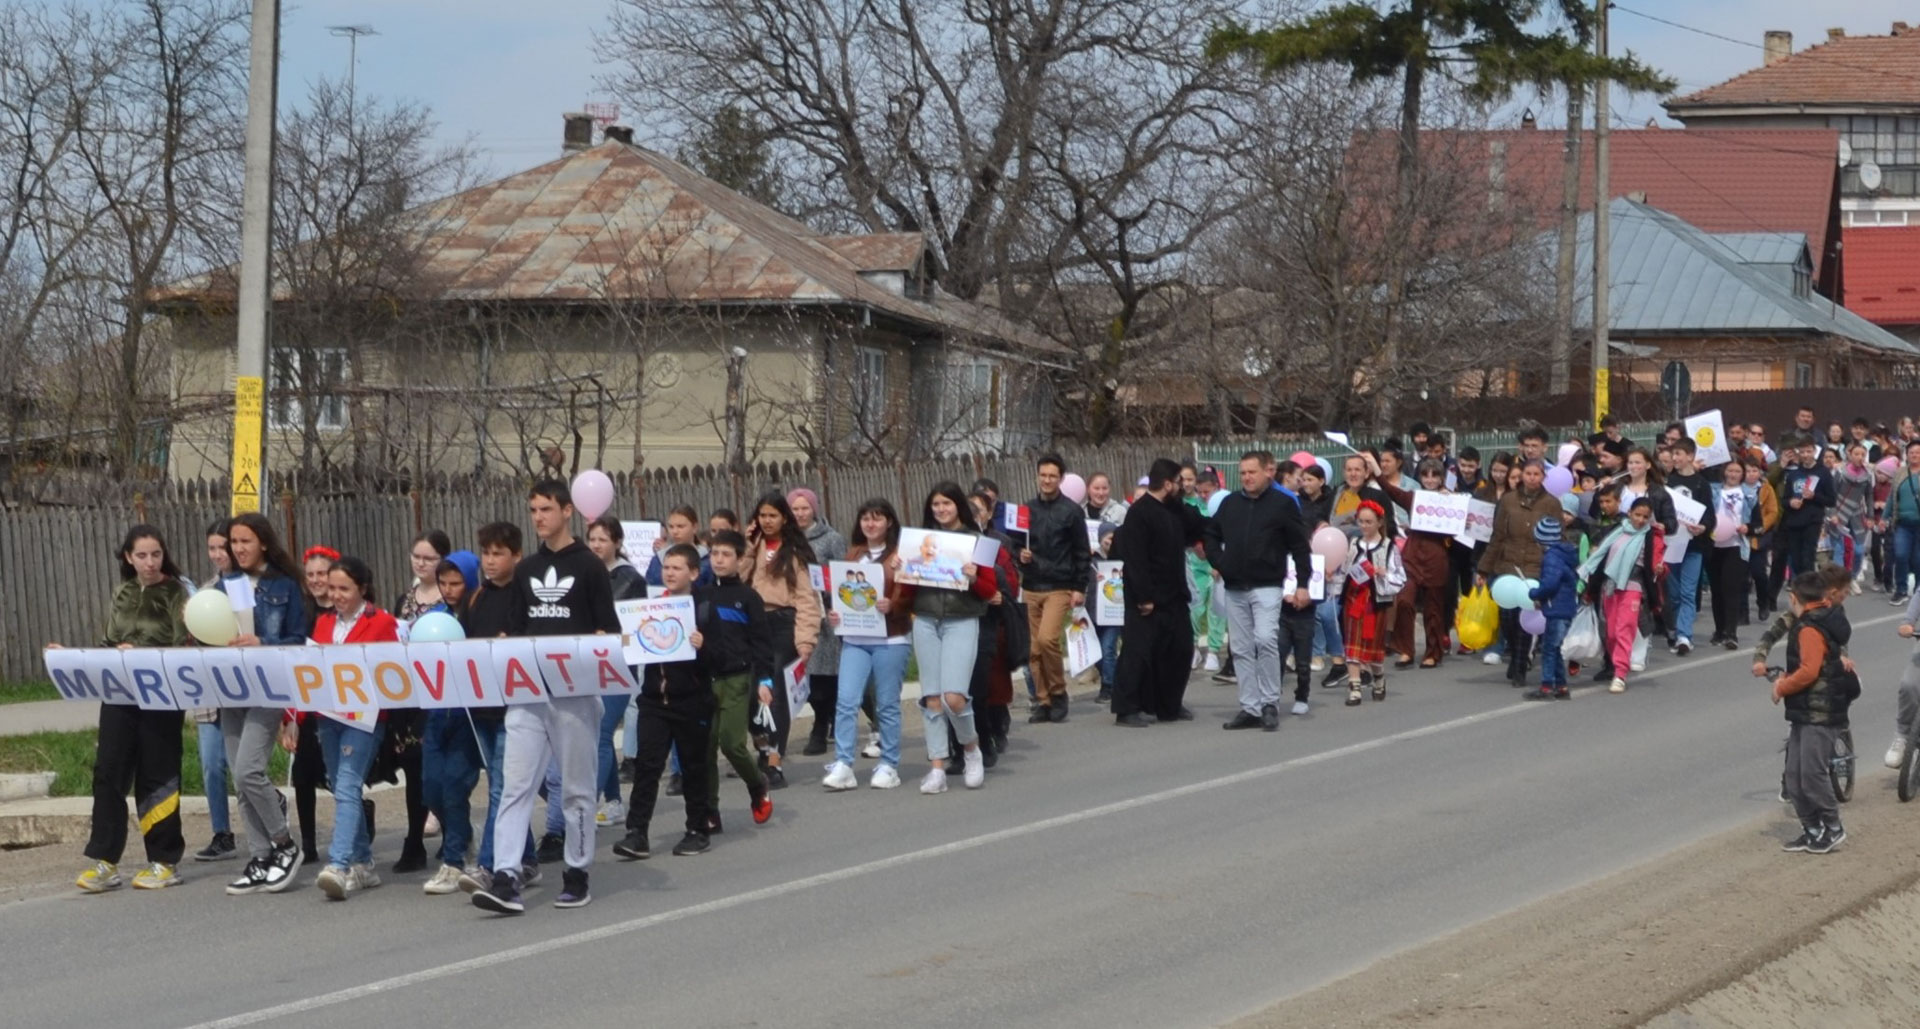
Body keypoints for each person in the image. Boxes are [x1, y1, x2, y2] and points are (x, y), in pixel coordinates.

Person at [472, 480, 618, 916]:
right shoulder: (528, 569)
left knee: (576, 787)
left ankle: (577, 872)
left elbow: (607, 630)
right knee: (515, 785)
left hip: (574, 692)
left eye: (546, 509)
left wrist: (595, 641)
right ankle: (505, 876)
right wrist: (505, 643)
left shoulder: (590, 567)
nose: (538, 517)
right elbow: (518, 629)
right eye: (533, 509)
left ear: (567, 511)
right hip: (529, 690)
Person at [65, 525, 191, 893]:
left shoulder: (175, 592)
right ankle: (106, 861)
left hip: (161, 693)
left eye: (156, 554)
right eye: (142, 556)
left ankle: (164, 860)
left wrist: (144, 655)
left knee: (157, 773)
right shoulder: (121, 592)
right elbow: (108, 641)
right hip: (119, 692)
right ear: (128, 558)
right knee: (108, 771)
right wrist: (73, 657)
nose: (150, 563)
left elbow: (179, 642)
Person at [611, 544, 724, 859]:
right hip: (653, 700)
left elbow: (721, 657)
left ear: (693, 572)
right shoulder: (651, 607)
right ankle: (637, 833)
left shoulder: (703, 608)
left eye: (677, 568)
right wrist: (627, 641)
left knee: (693, 766)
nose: (670, 573)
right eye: (666, 567)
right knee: (647, 766)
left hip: (692, 701)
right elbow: (636, 646)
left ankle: (697, 828)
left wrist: (702, 646)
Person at [219, 511, 311, 896]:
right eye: (234, 542)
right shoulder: (225, 585)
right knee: (238, 781)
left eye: (246, 541)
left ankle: (285, 844)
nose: (239, 549)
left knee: (248, 772)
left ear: (264, 543)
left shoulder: (286, 586)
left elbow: (299, 640)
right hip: (231, 687)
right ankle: (259, 857)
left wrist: (264, 644)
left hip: (270, 686)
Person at [305, 556, 401, 900]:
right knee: (339, 785)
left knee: (347, 783)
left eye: (344, 588)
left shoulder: (382, 623)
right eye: (332, 588)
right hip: (329, 716)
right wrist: (297, 716)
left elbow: (391, 673)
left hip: (364, 718)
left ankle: (339, 863)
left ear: (361, 588)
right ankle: (363, 862)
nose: (337, 595)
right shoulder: (323, 623)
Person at [1206, 451, 1314, 733]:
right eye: (1242, 473)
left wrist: (1303, 582)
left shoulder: (1282, 505)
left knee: (1266, 640)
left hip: (1267, 585)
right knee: (1241, 648)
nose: (1246, 478)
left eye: (1251, 472)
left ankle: (1269, 703)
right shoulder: (1230, 504)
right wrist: (1220, 562)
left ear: (1268, 471)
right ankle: (1250, 707)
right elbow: (1211, 534)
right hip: (1235, 586)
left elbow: (1300, 546)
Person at [446, 524, 526, 899]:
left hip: (513, 704)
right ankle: (526, 858)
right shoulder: (477, 597)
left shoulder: (524, 595)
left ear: (516, 556)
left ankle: (490, 865)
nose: (491, 561)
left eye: (498, 553)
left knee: (503, 788)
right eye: (486, 554)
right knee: (502, 786)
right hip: (482, 704)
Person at [911, 483, 997, 792]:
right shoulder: (920, 540)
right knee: (932, 698)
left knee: (954, 698)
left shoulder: (980, 542)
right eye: (935, 504)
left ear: (958, 505)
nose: (941, 509)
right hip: (925, 620)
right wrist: (900, 568)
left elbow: (989, 591)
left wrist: (974, 576)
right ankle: (937, 768)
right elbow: (908, 587)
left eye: (946, 503)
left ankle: (971, 749)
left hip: (962, 620)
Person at [823, 499, 914, 790]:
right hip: (855, 639)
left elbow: (911, 595)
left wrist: (895, 604)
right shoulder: (853, 555)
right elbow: (843, 593)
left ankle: (889, 764)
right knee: (847, 700)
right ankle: (844, 764)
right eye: (865, 518)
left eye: (876, 518)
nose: (870, 524)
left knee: (886, 704)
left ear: (889, 522)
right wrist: (836, 614)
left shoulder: (901, 555)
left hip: (891, 638)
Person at [1112, 458, 1207, 727]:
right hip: (1147, 598)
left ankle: (1169, 705)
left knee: (1179, 650)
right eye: (1179, 481)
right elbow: (1136, 558)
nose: (1183, 486)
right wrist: (1144, 597)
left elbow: (1196, 524)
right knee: (1137, 653)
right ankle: (1127, 707)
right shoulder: (1140, 513)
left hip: (1174, 595)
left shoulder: (1175, 509)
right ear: (1167, 484)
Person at [1768, 572, 1857, 854]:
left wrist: (1782, 686)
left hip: (1820, 712)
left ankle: (1832, 827)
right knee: (1794, 774)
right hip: (1806, 711)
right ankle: (1812, 828)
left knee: (1812, 774)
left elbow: (1809, 671)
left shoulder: (1809, 628)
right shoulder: (1822, 620)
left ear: (1795, 599)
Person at [741, 491, 821, 784]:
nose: (767, 521)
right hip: (753, 624)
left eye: (773, 515)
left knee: (773, 693)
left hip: (784, 625)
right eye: (762, 515)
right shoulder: (754, 546)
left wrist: (805, 640)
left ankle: (775, 761)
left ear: (784, 518)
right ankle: (762, 746)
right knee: (751, 697)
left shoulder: (796, 552)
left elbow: (807, 598)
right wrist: (748, 546)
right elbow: (736, 579)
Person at [697, 530, 775, 829]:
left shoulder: (748, 598)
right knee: (705, 747)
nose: (719, 560)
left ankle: (757, 785)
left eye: (726, 554)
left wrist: (765, 681)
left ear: (740, 560)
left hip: (738, 679)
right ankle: (709, 810)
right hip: (706, 679)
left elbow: (761, 644)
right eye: (714, 554)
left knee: (732, 744)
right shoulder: (700, 594)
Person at [388, 529, 451, 875]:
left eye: (429, 558)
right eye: (417, 557)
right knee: (413, 766)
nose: (422, 563)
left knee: (436, 771)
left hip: (442, 692)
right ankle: (413, 842)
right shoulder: (405, 598)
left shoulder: (450, 596)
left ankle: (452, 826)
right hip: (409, 693)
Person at [1020, 454, 1090, 724]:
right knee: (1032, 648)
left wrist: (1079, 587)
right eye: (1043, 475)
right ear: (1037, 477)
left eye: (1052, 476)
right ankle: (1043, 700)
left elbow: (1082, 551)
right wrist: (1020, 555)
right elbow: (1015, 544)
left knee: (1048, 639)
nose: (1047, 480)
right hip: (1031, 584)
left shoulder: (1071, 512)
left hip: (1059, 585)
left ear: (1061, 479)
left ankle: (1059, 692)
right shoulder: (1027, 510)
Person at [585, 516, 644, 830]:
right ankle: (614, 802)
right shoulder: (583, 574)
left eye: (602, 540)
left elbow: (634, 627)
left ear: (617, 543)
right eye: (592, 539)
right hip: (587, 664)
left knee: (603, 733)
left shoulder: (630, 579)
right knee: (597, 733)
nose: (596, 545)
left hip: (619, 665)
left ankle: (588, 801)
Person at [1375, 456, 1457, 668]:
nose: (1430, 480)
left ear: (1441, 478)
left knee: (1433, 607)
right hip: (1412, 556)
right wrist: (1375, 468)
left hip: (1436, 557)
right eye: (1425, 475)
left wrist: (1451, 502)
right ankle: (1405, 649)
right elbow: (1390, 490)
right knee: (1404, 601)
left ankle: (1433, 652)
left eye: (1435, 475)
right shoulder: (1414, 498)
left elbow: (1462, 528)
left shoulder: (1451, 499)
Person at [1477, 460, 1553, 686]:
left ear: (1542, 477)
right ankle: (1514, 656)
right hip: (1508, 566)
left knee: (1525, 619)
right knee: (1507, 617)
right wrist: (1483, 568)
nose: (1531, 478)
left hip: (1534, 567)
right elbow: (1497, 536)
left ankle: (1520, 664)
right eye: (1528, 474)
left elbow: (1556, 538)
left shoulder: (1550, 503)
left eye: (1536, 474)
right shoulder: (1508, 501)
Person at [189, 520, 239, 863]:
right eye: (213, 548)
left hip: (240, 681)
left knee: (241, 764)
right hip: (209, 682)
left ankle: (270, 805)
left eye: (224, 547)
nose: (219, 554)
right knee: (210, 762)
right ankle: (222, 832)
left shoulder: (249, 587)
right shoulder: (205, 590)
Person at [1580, 497, 1665, 693]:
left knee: (1623, 630)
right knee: (1609, 633)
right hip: (1609, 585)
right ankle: (1613, 663)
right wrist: (1591, 589)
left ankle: (1620, 673)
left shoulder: (1651, 536)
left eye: (1646, 516)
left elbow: (1657, 562)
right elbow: (1601, 560)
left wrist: (1661, 569)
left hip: (1634, 586)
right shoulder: (1617, 532)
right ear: (1629, 513)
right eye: (1637, 515)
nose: (1641, 520)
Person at [287, 544, 339, 864]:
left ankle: (361, 814)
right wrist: (290, 717)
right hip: (306, 703)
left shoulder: (344, 610)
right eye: (311, 575)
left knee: (336, 772)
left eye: (323, 573)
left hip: (339, 701)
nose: (317, 580)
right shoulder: (301, 614)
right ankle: (308, 844)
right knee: (304, 773)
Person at [788, 487, 846, 758]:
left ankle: (821, 726)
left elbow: (842, 573)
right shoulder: (785, 540)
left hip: (825, 614)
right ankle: (824, 717)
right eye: (795, 509)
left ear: (814, 509)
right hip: (793, 613)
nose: (800, 514)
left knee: (824, 676)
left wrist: (827, 589)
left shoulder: (831, 538)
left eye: (804, 508)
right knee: (804, 675)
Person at [970, 489, 1026, 761]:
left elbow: (1011, 584)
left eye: (978, 511)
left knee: (993, 680)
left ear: (988, 515)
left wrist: (1000, 594)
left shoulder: (996, 544)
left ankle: (997, 724)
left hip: (993, 620)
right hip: (964, 619)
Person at [1339, 501, 1401, 705]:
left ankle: (1378, 677)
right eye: (1361, 521)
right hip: (1353, 600)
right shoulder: (1354, 543)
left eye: (1369, 522)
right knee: (1352, 646)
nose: (1364, 526)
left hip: (1375, 603)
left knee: (1373, 648)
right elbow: (1345, 570)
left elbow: (1400, 577)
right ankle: (1354, 688)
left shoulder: (1388, 546)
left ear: (1379, 522)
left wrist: (1384, 575)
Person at [1662, 438, 1717, 657]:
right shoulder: (1667, 481)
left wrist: (1703, 527)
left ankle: (1685, 635)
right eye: (1673, 454)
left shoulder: (1701, 484)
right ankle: (1675, 629)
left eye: (1679, 454)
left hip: (1693, 546)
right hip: (1671, 544)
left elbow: (1709, 514)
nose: (1675, 458)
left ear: (1690, 456)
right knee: (1673, 594)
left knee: (1687, 592)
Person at [1774, 436, 1836, 610]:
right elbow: (1784, 500)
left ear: (1814, 452)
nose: (1806, 455)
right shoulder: (1794, 474)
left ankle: (1810, 596)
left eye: (1809, 451)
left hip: (1812, 520)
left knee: (1808, 557)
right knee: (1795, 559)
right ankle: (1800, 592)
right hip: (1794, 521)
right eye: (1802, 452)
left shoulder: (1823, 472)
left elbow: (1831, 500)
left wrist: (1814, 496)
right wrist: (1791, 502)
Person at [1523, 517, 1578, 701]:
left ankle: (1546, 686)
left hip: (1557, 608)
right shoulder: (1564, 554)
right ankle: (1561, 686)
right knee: (1555, 648)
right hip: (1565, 606)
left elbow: (1550, 583)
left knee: (1549, 648)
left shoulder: (1552, 557)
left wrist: (1535, 593)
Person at [1708, 460, 1758, 650]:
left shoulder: (1750, 494)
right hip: (1714, 544)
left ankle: (1731, 632)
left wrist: (1749, 528)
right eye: (1730, 470)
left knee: (1732, 590)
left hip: (1736, 546)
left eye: (1738, 471)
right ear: (1724, 472)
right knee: (1717, 590)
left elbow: (1758, 521)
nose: (1733, 474)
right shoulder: (1714, 490)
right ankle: (1719, 630)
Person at [1885, 440, 1920, 604]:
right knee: (1900, 555)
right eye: (1912, 452)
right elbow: (1891, 498)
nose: (1915, 455)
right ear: (1907, 454)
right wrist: (1884, 517)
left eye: (1918, 452)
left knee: (1918, 559)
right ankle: (1901, 589)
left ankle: (1918, 590)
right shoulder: (1899, 473)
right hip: (1902, 523)